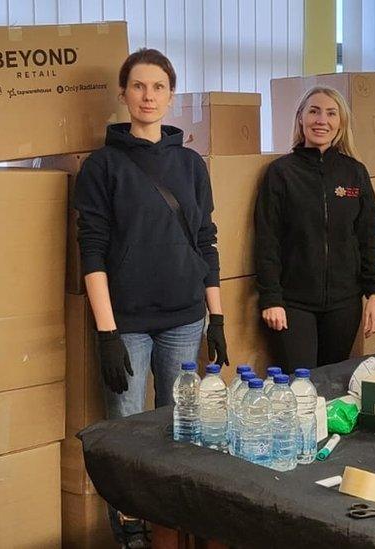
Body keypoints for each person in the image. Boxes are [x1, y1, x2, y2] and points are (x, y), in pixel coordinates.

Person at [73, 48, 228, 547]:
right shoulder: (102, 166)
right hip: (129, 325)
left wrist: (217, 317)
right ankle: (133, 534)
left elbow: (206, 240)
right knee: (129, 434)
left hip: (185, 318)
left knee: (182, 428)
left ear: (171, 95)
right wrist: (107, 333)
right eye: (138, 86)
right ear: (123, 94)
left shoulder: (190, 163)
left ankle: (175, 526)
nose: (148, 96)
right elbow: (91, 251)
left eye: (158, 87)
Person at [255, 86, 375, 371]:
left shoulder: (355, 172)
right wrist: (271, 298)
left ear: (341, 123)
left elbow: (368, 238)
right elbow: (267, 240)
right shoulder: (281, 173)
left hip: (344, 303)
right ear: (300, 118)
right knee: (300, 386)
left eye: (331, 113)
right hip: (293, 304)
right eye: (313, 111)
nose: (321, 120)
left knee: (332, 383)